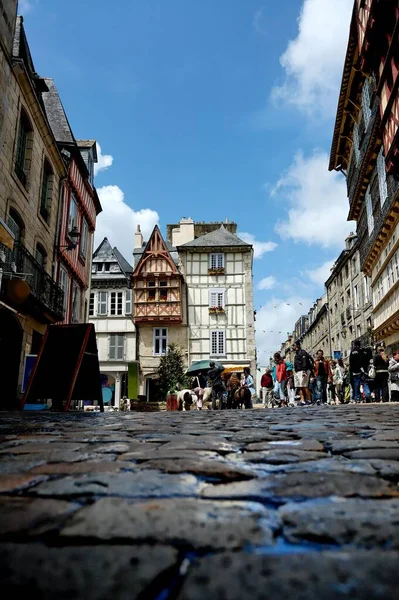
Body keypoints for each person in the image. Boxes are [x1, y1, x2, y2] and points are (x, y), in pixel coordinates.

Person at [292, 341, 313, 406]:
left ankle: (309, 400)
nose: (293, 347)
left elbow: (304, 362)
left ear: (297, 346)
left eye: (294, 345)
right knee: (299, 386)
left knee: (304, 386)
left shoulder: (302, 352)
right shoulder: (296, 353)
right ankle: (303, 400)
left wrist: (304, 371)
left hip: (303, 370)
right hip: (298, 371)